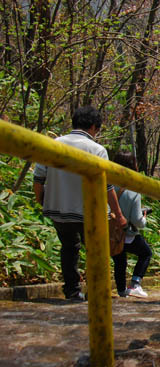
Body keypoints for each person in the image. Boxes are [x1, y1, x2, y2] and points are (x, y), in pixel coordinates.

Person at [33, 106, 127, 301]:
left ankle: (72, 291)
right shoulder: (97, 150)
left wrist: (41, 199)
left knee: (69, 248)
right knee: (95, 251)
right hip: (88, 212)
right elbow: (107, 187)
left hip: (58, 209)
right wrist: (118, 214)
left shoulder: (53, 144)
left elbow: (39, 178)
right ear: (93, 127)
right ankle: (96, 292)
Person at [111, 152, 153, 298]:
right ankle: (135, 284)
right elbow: (137, 221)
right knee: (146, 253)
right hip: (127, 233)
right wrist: (144, 218)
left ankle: (122, 290)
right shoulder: (133, 191)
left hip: (110, 232)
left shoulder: (107, 184)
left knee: (119, 261)